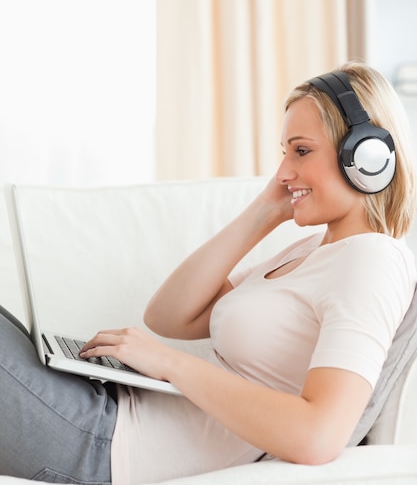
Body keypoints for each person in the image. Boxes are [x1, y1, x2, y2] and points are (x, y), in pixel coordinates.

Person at [1, 62, 416, 484]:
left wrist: (168, 362)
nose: (283, 171)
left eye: (301, 151)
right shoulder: (313, 251)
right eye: (284, 152)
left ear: (367, 156)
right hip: (107, 411)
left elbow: (319, 435)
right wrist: (262, 214)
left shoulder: (373, 261)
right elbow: (169, 315)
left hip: (106, 444)